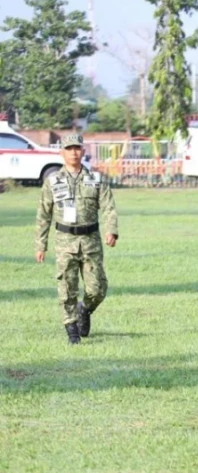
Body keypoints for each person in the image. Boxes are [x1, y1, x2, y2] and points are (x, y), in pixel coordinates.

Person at [34, 133, 119, 344]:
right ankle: (71, 327)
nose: (74, 152)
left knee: (98, 288)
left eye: (77, 148)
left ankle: (85, 309)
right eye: (69, 148)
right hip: (65, 241)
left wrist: (111, 230)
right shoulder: (53, 181)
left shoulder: (96, 179)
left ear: (83, 151)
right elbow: (44, 214)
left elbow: (108, 207)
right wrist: (41, 244)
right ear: (62, 152)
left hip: (91, 241)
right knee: (67, 287)